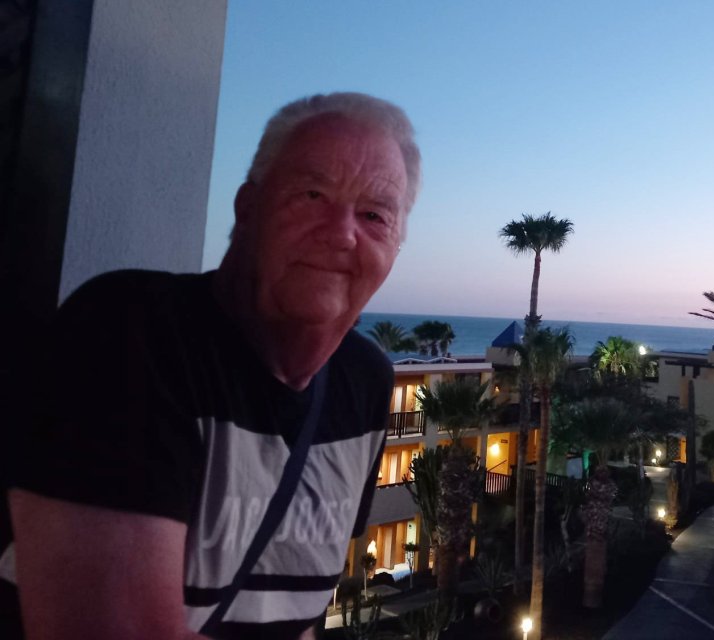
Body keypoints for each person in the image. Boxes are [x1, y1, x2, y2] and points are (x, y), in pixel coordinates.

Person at [1, 92, 421, 639]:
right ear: (248, 207)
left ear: (395, 247)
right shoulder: (130, 333)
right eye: (312, 194)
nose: (342, 232)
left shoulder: (364, 384)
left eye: (373, 215)